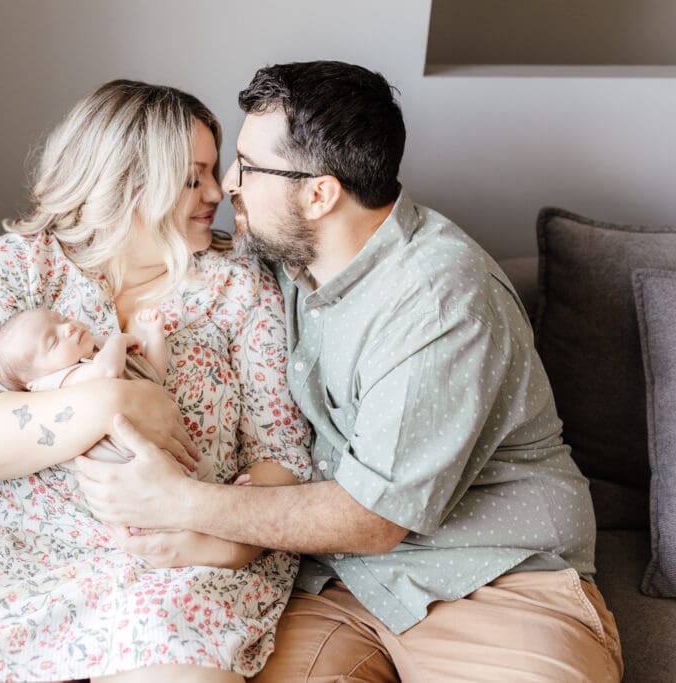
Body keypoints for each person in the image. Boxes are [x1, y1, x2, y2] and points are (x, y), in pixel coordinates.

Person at [74, 61, 624, 682]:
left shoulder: (439, 299)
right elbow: (135, 242)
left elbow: (373, 516)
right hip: (336, 585)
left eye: (249, 168)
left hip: (493, 578)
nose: (229, 183)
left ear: (319, 193)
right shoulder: (285, 259)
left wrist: (179, 501)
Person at [0, 79, 312, 683]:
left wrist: (228, 543)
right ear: (126, 183)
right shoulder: (20, 267)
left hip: (176, 565)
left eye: (213, 173)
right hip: (12, 561)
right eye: (194, 178)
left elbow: (282, 453)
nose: (217, 193)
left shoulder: (238, 287)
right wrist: (120, 396)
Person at [0, 307, 212, 481]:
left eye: (62, 319)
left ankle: (216, 492)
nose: (68, 328)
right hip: (129, 466)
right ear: (34, 383)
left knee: (197, 473)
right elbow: (107, 371)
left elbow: (153, 375)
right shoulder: (63, 381)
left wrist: (154, 335)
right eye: (53, 341)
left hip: (164, 450)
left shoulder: (98, 355)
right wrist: (118, 339)